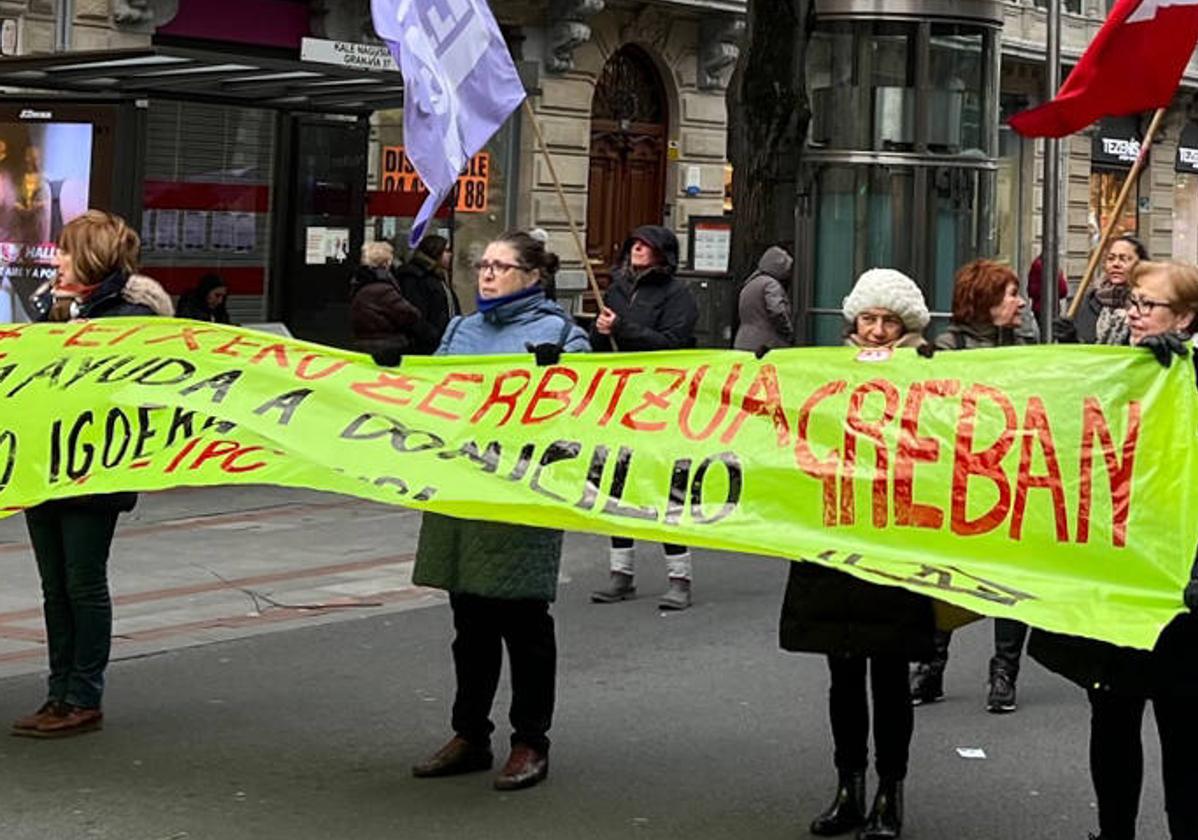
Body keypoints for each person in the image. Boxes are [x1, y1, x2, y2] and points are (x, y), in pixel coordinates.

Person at [410, 231, 590, 791]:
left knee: (524, 623)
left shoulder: (562, 335)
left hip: (519, 494)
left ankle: (530, 741)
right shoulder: (461, 329)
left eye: (501, 266)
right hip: (461, 490)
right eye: (483, 265)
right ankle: (470, 734)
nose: (487, 275)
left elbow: (581, 417)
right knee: (470, 623)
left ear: (533, 276)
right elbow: (429, 398)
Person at [1030, 260, 1198, 840]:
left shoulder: (1187, 375)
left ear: (1187, 317)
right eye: (1132, 302)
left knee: (1185, 740)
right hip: (1115, 583)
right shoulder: (1112, 367)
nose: (1135, 313)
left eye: (1149, 305)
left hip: (1179, 593)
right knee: (1113, 720)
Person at [781, 268, 936, 840]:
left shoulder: (931, 374)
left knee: (890, 678)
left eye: (887, 321)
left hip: (895, 547)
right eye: (867, 319)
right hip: (833, 544)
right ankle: (849, 786)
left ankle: (890, 792)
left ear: (906, 326)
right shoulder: (822, 372)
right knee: (841, 674)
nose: (874, 331)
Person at [10, 210, 173, 739]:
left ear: (90, 255)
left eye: (63, 249)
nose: (55, 258)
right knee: (53, 585)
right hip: (43, 466)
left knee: (82, 582)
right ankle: (57, 692)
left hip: (93, 470)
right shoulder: (54, 309)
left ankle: (83, 695)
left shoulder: (130, 316)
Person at [910, 260, 1033, 712]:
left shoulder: (1029, 345)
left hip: (1012, 480)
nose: (1019, 303)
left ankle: (1004, 673)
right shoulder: (949, 348)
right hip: (959, 483)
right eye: (1009, 294)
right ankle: (931, 665)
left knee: (1010, 579)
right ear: (983, 301)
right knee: (946, 576)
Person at [588, 224, 699, 610]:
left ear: (662, 254)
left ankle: (679, 577)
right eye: (633, 243)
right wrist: (600, 332)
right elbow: (601, 347)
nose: (637, 249)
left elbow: (672, 344)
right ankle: (621, 573)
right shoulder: (617, 288)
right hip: (619, 400)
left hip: (660, 403)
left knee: (664, 488)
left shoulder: (677, 295)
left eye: (646, 245)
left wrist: (623, 327)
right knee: (616, 486)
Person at [350, 240, 437, 365]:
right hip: (386, 348)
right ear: (387, 262)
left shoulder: (362, 283)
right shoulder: (382, 289)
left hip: (366, 343)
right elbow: (408, 314)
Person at [1056, 233, 1148, 345]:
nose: (1116, 264)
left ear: (1142, 264)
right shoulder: (1088, 302)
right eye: (1111, 258)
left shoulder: (1149, 303)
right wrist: (1069, 338)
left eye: (1124, 259)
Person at [395, 234, 460, 354]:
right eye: (446, 251)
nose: (450, 255)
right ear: (435, 252)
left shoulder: (438, 276)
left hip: (442, 342)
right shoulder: (415, 277)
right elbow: (414, 314)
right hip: (425, 347)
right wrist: (433, 336)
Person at [733, 245, 794, 351]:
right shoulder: (771, 284)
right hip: (766, 345)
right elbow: (777, 311)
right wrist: (788, 331)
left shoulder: (750, 283)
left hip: (743, 341)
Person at [1026, 254, 1069, 320]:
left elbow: (1031, 290)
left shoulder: (1037, 264)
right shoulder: (1047, 266)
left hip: (1041, 308)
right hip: (1047, 307)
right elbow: (1063, 291)